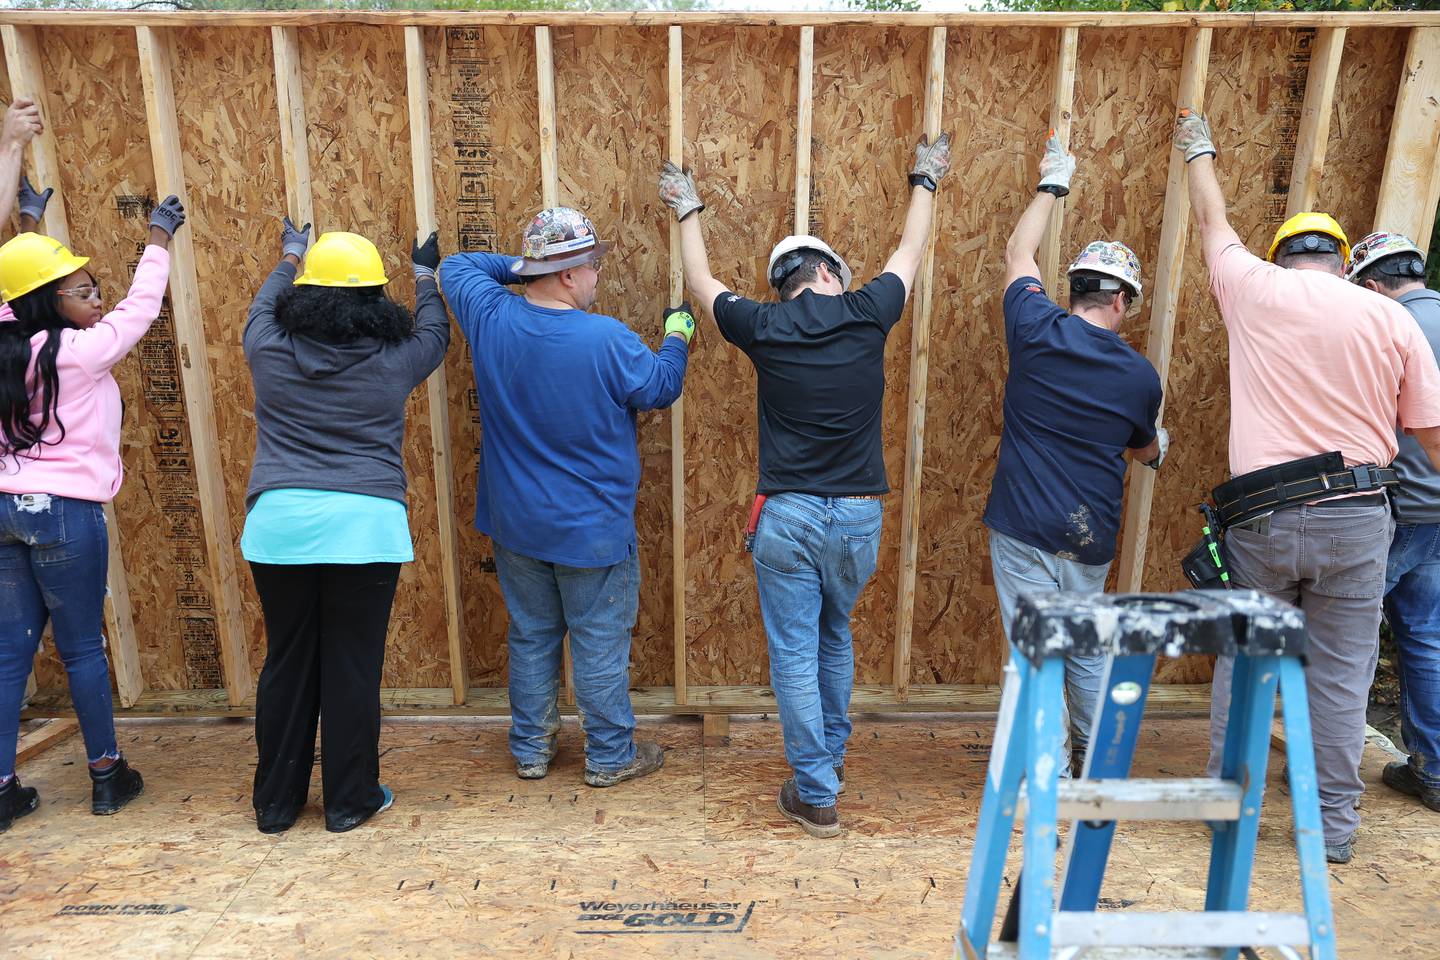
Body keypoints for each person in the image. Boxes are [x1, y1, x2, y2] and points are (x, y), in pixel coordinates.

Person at [658, 133, 950, 838]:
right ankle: (831, 764)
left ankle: (816, 791)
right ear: (830, 274)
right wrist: (925, 177)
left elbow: (701, 284)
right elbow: (910, 252)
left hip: (786, 516)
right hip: (856, 518)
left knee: (794, 650)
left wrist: (686, 206)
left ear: (785, 282)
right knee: (834, 636)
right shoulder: (867, 310)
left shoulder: (764, 324)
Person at [1175, 108, 1440, 863]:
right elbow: (1431, 434)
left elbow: (1211, 221)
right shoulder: (1391, 319)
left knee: (1245, 661)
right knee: (1340, 681)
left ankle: (1229, 811)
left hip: (1263, 521)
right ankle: (1335, 831)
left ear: (1281, 256)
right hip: (1358, 522)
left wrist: (1201, 147)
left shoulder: (1252, 287)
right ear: (1345, 261)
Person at [439, 207, 690, 788]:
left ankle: (531, 750)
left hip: (517, 526)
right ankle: (608, 756)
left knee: (531, 635)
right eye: (592, 265)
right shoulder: (605, 339)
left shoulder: (491, 316)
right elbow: (660, 386)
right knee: (599, 644)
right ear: (570, 275)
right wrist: (679, 334)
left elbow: (458, 266)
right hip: (591, 533)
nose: (599, 275)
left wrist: (526, 268)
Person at [241, 221, 451, 834]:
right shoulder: (394, 359)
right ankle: (349, 801)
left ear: (304, 297)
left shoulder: (266, 347)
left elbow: (261, 302)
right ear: (375, 299)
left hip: (280, 527)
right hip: (365, 528)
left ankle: (276, 805)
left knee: (287, 661)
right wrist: (425, 276)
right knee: (351, 665)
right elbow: (435, 334)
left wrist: (289, 253)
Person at [0, 181, 186, 831]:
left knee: (8, 653)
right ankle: (107, 776)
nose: (97, 298)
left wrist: (29, 224)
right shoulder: (78, 353)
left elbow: (12, 289)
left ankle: (2, 790)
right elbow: (139, 309)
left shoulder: (6, 339)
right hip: (64, 513)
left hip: (4, 511)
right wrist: (158, 237)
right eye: (81, 292)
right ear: (48, 304)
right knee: (81, 648)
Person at [987, 134, 1165, 778]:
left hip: (1024, 523)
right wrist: (1154, 444)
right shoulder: (1140, 376)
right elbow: (1144, 449)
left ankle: (1051, 775)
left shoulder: (1034, 327)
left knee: (1036, 652)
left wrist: (1053, 182)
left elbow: (1018, 252)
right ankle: (1099, 760)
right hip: (1087, 534)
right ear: (1121, 300)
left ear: (1074, 291)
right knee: (1086, 648)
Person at [1345, 231, 1440, 814]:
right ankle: (1432, 770)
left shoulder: (1388, 329)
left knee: (1345, 639)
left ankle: (1325, 774)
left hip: (1397, 509)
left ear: (1375, 285)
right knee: (1426, 637)